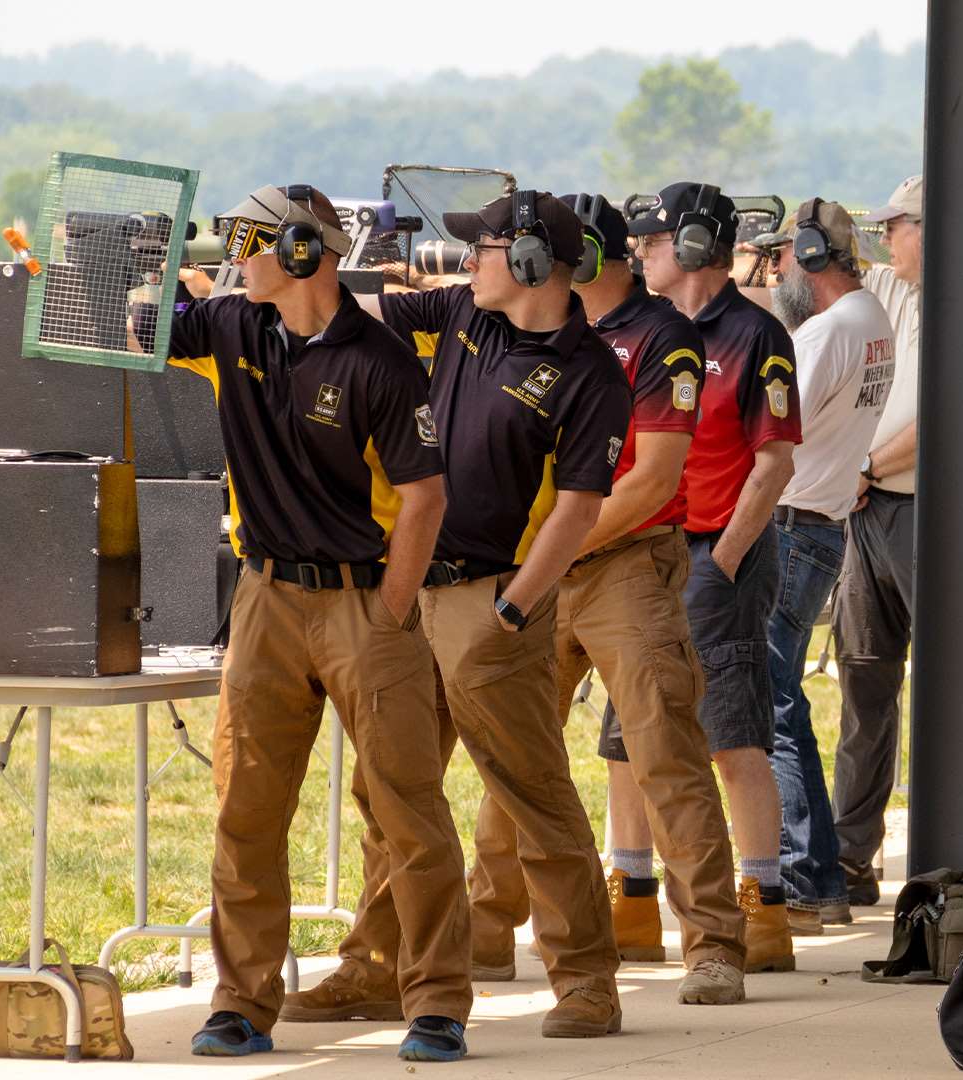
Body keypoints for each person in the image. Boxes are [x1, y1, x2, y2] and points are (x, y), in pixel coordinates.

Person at [292, 190, 633, 1040]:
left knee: (532, 796)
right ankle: (376, 968)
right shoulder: (459, 312)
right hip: (408, 589)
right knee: (392, 792)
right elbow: (349, 306)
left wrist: (514, 612)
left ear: (528, 264)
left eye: (481, 248)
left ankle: (587, 981)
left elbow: (579, 509)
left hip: (491, 600)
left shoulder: (591, 374)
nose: (464, 261)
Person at [161, 185, 466, 1062]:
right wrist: (112, 257)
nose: (234, 259)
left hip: (362, 599)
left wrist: (391, 610)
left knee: (407, 806)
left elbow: (424, 498)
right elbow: (127, 331)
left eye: (248, 243)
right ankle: (242, 1005)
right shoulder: (231, 324)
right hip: (263, 593)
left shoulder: (380, 361)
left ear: (303, 251)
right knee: (247, 811)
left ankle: (438, 1001)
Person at [446, 194, 748, 1006]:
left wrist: (545, 548)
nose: (657, 252)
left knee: (665, 754)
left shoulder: (663, 339)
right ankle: (485, 929)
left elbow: (652, 478)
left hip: (622, 567)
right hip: (543, 568)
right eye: (646, 241)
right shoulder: (527, 331)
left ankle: (714, 944)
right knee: (513, 755)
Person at [627, 181, 803, 973]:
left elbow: (773, 465)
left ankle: (762, 905)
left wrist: (722, 563)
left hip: (716, 550)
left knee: (731, 730)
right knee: (629, 733)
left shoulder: (755, 335)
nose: (641, 253)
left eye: (654, 240)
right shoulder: (651, 330)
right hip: (649, 551)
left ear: (695, 246)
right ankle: (629, 895)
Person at [750, 198, 895, 932]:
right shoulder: (869, 320)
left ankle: (806, 879)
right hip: (822, 521)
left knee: (771, 701)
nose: (775, 272)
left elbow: (767, 430)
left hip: (787, 523)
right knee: (782, 699)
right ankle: (817, 875)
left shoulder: (826, 333)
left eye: (780, 257)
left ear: (809, 255)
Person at [832, 175, 923, 906]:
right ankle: (850, 856)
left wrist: (862, 465)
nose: (885, 238)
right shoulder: (886, 289)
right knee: (864, 686)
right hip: (868, 512)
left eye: (896, 226)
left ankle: (947, 854)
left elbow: (948, 412)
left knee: (952, 692)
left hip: (930, 515)